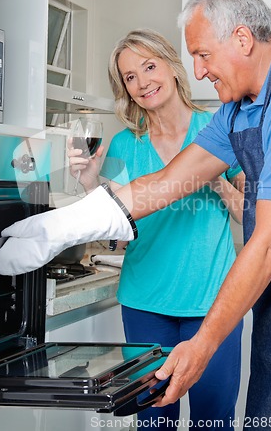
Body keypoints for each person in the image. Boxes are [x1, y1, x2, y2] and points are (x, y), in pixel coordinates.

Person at [0, 0, 271, 427]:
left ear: (242, 39)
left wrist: (204, 343)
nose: (198, 70)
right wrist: (59, 227)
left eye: (203, 55)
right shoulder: (238, 111)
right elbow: (169, 181)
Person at [67, 28, 245, 430]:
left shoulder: (219, 129)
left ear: (172, 66)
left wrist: (211, 173)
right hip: (146, 305)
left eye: (149, 66)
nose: (143, 81)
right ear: (125, 89)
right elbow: (113, 234)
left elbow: (246, 212)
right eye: (130, 77)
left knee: (213, 421)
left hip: (213, 304)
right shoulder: (123, 145)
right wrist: (92, 186)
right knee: (153, 422)